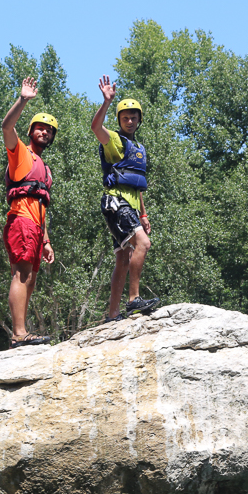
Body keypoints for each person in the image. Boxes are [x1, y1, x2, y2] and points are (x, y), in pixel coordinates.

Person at [90, 75, 159, 323]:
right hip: (115, 203)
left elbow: (136, 183)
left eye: (133, 117)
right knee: (144, 243)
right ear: (119, 120)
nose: (129, 121)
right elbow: (96, 128)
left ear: (140, 120)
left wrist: (143, 214)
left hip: (129, 205)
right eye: (125, 117)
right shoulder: (115, 141)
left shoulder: (138, 149)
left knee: (123, 257)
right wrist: (107, 102)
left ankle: (112, 315)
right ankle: (134, 301)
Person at [2, 77, 57, 347]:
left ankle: (21, 332)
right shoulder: (20, 153)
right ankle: (19, 334)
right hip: (21, 221)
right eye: (40, 128)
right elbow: (6, 126)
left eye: (49, 131)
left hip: (36, 227)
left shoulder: (44, 169)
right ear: (30, 130)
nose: (45, 132)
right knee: (21, 275)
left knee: (31, 279)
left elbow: (42, 205)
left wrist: (45, 240)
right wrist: (23, 99)